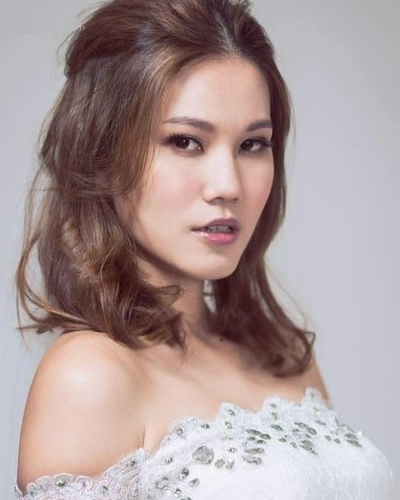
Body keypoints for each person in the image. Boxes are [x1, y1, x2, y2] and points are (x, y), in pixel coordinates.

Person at [14, 0, 394, 499]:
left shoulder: (284, 358)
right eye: (186, 142)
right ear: (103, 155)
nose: (228, 185)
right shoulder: (90, 376)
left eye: (253, 145)